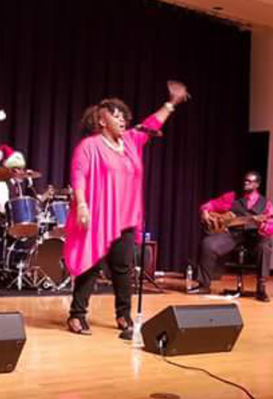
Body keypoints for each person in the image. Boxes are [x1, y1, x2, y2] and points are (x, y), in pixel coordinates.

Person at [65, 81, 190, 339]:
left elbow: (153, 123)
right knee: (91, 265)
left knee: (123, 267)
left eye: (124, 116)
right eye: (116, 115)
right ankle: (77, 315)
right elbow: (78, 175)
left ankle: (124, 315)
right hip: (98, 216)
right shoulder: (89, 146)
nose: (122, 119)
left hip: (125, 217)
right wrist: (82, 205)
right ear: (102, 121)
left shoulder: (131, 141)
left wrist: (171, 103)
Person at [193, 172, 273, 302]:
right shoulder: (231, 197)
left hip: (255, 236)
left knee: (265, 246)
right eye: (245, 180)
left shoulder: (266, 204)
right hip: (233, 234)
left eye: (249, 181)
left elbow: (272, 227)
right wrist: (205, 211)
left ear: (257, 185)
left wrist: (261, 225)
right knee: (208, 244)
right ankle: (204, 285)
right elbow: (210, 205)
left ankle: (261, 288)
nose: (246, 183)